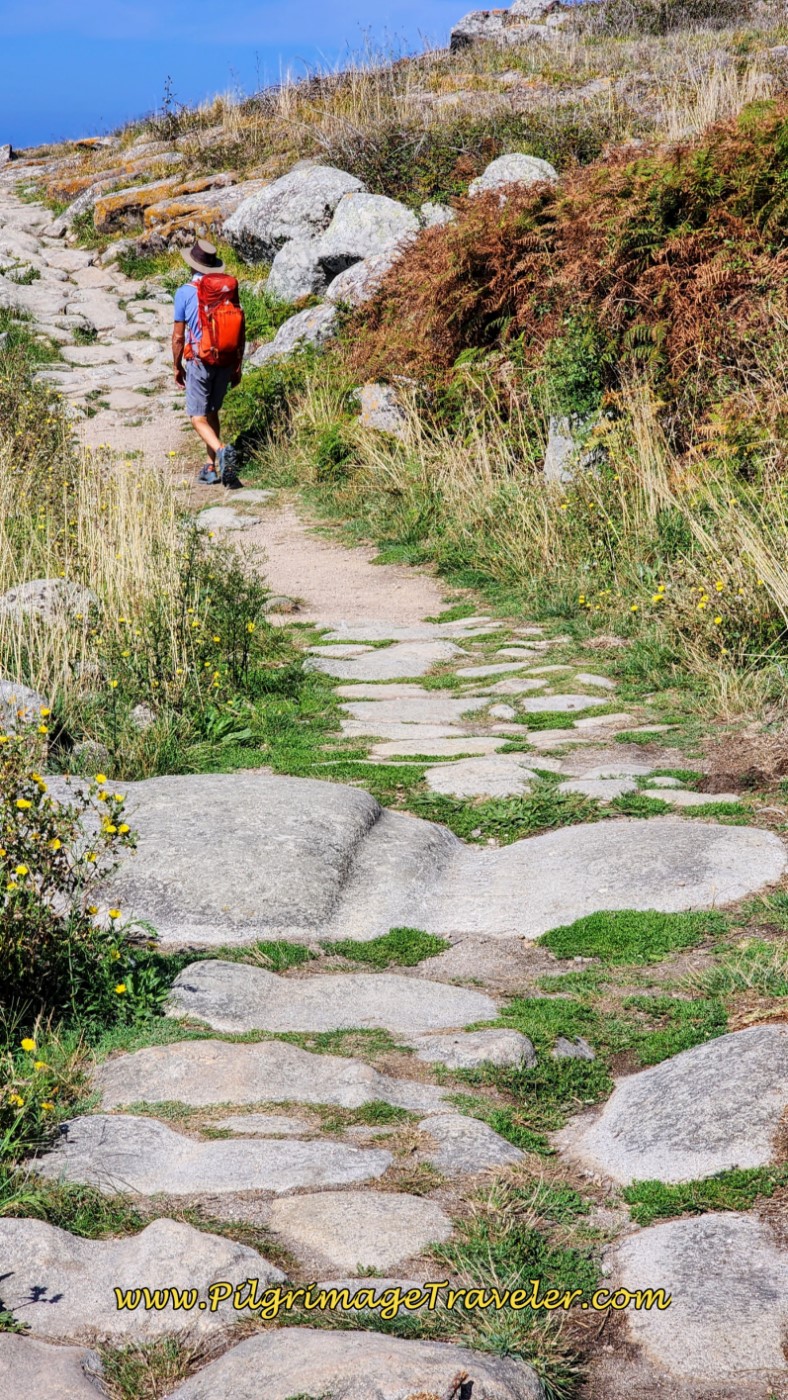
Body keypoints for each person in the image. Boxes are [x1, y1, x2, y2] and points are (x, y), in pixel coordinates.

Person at [172, 238, 244, 486]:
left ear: (191, 265)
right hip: (224, 359)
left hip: (200, 361)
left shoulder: (184, 292)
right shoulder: (227, 291)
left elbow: (179, 336)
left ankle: (222, 450)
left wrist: (176, 365)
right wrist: (238, 365)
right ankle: (210, 467)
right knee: (211, 412)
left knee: (196, 417)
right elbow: (239, 329)